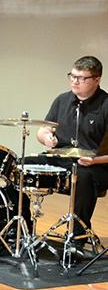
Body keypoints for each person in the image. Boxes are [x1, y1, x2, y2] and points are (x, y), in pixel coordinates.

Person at [31, 56, 108, 240]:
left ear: (97, 80)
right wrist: (46, 137)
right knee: (19, 166)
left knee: (82, 176)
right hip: (62, 158)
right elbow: (43, 129)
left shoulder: (106, 105)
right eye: (72, 76)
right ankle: (19, 226)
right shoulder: (62, 100)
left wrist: (95, 160)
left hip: (97, 165)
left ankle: (77, 236)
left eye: (81, 78)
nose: (74, 81)